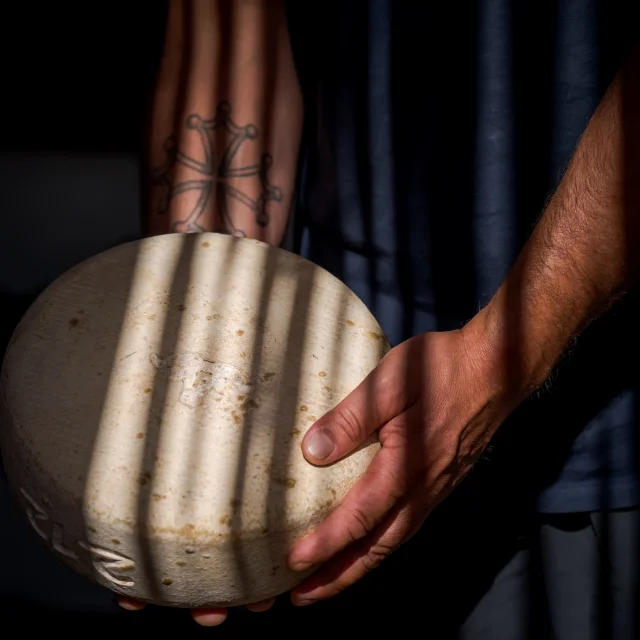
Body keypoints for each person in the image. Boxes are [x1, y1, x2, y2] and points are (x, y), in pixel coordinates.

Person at [119, 1, 640, 636]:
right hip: (328, 424)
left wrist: (501, 349)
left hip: (599, 423)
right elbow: (233, 38)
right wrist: (198, 381)